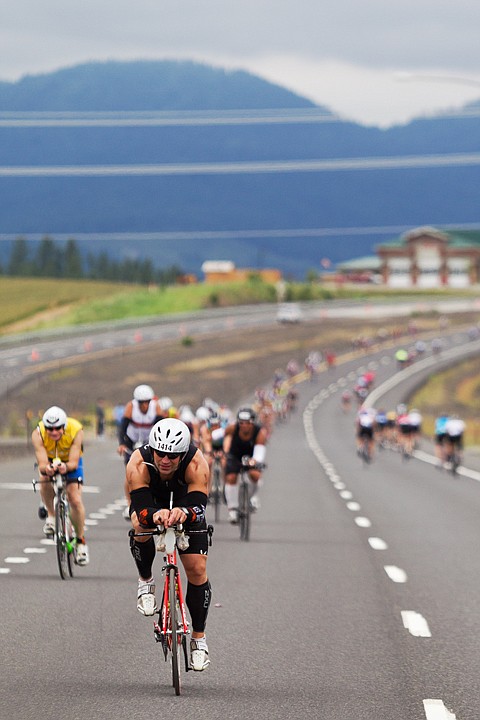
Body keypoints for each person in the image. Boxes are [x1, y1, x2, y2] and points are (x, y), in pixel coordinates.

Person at [126, 418, 212, 672]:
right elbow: (140, 509)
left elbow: (199, 505)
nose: (165, 460)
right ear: (152, 448)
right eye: (160, 453)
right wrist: (154, 515)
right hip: (151, 498)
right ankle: (145, 581)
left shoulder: (197, 464)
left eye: (172, 456)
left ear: (182, 454)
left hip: (185, 502)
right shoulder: (138, 463)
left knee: (197, 569)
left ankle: (198, 639)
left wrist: (185, 512)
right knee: (140, 527)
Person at [31, 405, 89, 566]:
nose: (54, 432)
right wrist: (47, 468)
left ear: (64, 426)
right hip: (49, 459)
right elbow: (42, 463)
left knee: (75, 499)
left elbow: (74, 461)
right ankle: (51, 516)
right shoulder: (38, 433)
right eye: (50, 429)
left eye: (58, 428)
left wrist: (66, 468)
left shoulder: (76, 430)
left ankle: (80, 541)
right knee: (44, 478)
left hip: (71, 461)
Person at [118, 385, 162, 518]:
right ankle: (129, 503)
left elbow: (161, 426)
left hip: (149, 440)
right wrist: (122, 444)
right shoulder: (131, 407)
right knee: (130, 471)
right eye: (141, 402)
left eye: (146, 402)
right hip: (132, 439)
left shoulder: (156, 407)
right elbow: (122, 428)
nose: (144, 405)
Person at [222, 407, 268, 523]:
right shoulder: (233, 428)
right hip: (235, 456)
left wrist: (255, 461)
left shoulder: (259, 432)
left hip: (251, 456)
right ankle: (233, 510)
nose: (244, 426)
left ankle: (251, 496)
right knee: (231, 477)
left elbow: (259, 451)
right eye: (241, 423)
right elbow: (226, 438)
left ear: (252, 423)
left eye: (247, 423)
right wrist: (226, 452)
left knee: (255, 475)